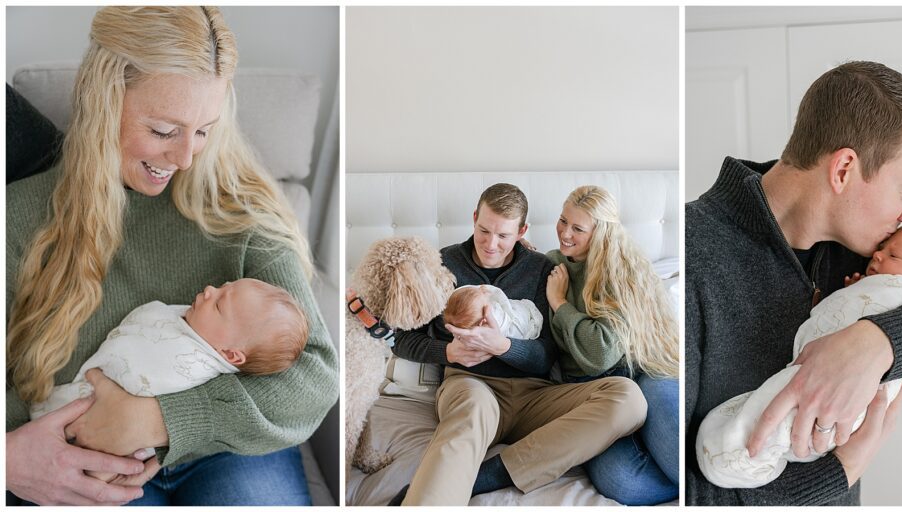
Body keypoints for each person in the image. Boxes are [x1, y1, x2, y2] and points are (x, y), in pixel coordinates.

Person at [6, 7, 338, 506]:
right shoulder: (19, 216)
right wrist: (14, 454)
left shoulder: (240, 207)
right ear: (103, 102)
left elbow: (314, 375)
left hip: (227, 449)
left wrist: (160, 418)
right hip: (85, 453)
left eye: (203, 130)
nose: (185, 159)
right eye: (164, 130)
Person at [685, 61, 902, 505]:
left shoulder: (868, 252)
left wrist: (874, 343)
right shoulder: (693, 255)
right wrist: (844, 468)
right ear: (844, 169)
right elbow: (685, 496)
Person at [390, 183, 647, 505]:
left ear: (522, 231)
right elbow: (400, 339)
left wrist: (503, 346)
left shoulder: (542, 269)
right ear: (474, 218)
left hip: (535, 396)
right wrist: (447, 352)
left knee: (628, 398)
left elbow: (546, 356)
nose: (491, 244)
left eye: (503, 235)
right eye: (484, 231)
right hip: (472, 386)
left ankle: (495, 474)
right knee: (469, 414)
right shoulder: (442, 265)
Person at [697, 221, 902, 488]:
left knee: (772, 421)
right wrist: (860, 292)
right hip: (823, 435)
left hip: (847, 406)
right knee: (769, 413)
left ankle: (741, 458)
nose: (877, 255)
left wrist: (872, 303)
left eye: (893, 255)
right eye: (882, 249)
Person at [544, 185, 680, 505]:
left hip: (643, 371)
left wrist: (560, 303)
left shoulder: (622, 269)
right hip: (592, 391)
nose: (565, 233)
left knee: (678, 450)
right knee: (623, 481)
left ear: (601, 232)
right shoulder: (552, 265)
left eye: (578, 228)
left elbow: (601, 353)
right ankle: (688, 485)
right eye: (563, 221)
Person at [31, 278, 309, 421]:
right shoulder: (195, 327)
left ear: (229, 354)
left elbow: (142, 382)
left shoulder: (191, 366)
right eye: (223, 287)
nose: (210, 289)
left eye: (219, 304)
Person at [443, 284, 543, 340]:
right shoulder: (495, 317)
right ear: (483, 321)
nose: (484, 291)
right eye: (485, 298)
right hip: (520, 324)